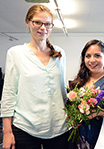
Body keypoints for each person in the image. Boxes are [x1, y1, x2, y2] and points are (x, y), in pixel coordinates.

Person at [0, 4, 73, 149]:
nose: (42, 27)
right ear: (28, 22)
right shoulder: (16, 53)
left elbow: (61, 90)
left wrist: (73, 114)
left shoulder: (59, 53)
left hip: (59, 128)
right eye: (37, 22)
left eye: (47, 24)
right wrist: (7, 132)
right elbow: (9, 92)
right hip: (26, 128)